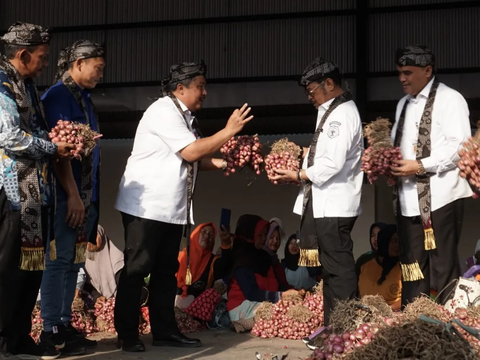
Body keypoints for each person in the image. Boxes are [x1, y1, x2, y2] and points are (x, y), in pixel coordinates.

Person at [113, 61, 253, 352]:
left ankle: (164, 331)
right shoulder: (163, 111)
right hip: (146, 206)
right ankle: (127, 334)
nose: (205, 92)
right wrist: (229, 131)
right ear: (180, 88)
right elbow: (191, 150)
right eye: (200, 87)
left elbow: (193, 159)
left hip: (171, 209)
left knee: (166, 271)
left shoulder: (185, 117)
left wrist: (229, 163)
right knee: (137, 269)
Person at [0, 22, 76, 359]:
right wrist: (51, 147)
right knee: (8, 272)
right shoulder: (2, 85)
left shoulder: (27, 86)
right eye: (42, 57)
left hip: (37, 193)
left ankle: (17, 339)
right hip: (12, 194)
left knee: (31, 272)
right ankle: (4, 340)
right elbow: (8, 136)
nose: (46, 64)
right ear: (24, 54)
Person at [271, 57, 363, 325]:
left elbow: (332, 163)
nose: (310, 97)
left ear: (330, 83)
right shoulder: (330, 111)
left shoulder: (341, 114)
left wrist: (299, 174)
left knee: (339, 269)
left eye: (312, 91)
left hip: (334, 204)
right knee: (331, 270)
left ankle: (344, 327)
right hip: (326, 203)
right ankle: (332, 326)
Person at [390, 45, 472, 307]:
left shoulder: (451, 99)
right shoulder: (402, 104)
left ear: (427, 71)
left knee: (442, 265)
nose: (402, 78)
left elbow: (460, 148)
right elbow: (395, 145)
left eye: (407, 72)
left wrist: (422, 165)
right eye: (399, 73)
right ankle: (415, 324)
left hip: (441, 197)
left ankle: (449, 327)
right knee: (412, 266)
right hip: (407, 200)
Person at [40, 39, 105, 355]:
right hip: (66, 196)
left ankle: (64, 323)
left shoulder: (84, 100)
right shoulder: (57, 97)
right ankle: (50, 328)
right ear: (78, 63)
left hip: (85, 196)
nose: (100, 74)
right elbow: (59, 152)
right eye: (98, 67)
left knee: (75, 263)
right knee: (59, 260)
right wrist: (73, 195)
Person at [227, 215, 296, 333]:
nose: (264, 238)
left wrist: (294, 292)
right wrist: (281, 296)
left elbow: (278, 285)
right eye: (260, 235)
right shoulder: (243, 260)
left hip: (259, 303)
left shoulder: (264, 258)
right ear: (250, 236)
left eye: (265, 234)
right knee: (284, 312)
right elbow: (252, 293)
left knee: (291, 307)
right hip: (241, 306)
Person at [175, 223, 233, 308]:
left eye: (211, 235)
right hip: (169, 308)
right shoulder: (179, 257)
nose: (207, 236)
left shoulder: (213, 262)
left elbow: (226, 267)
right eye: (204, 232)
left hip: (195, 313)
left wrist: (226, 244)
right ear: (196, 234)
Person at [358, 225, 402, 310]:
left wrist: (389, 309)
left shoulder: (402, 267)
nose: (397, 245)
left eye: (399, 242)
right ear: (384, 241)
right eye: (394, 241)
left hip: (393, 316)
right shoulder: (364, 265)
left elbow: (408, 296)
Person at [84, 225, 124, 302]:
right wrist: (97, 297)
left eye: (94, 236)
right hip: (94, 303)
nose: (90, 241)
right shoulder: (81, 258)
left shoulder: (117, 257)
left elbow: (123, 285)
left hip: (116, 303)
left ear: (102, 235)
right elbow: (84, 284)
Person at [263, 222, 290, 289]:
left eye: (278, 238)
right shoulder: (261, 259)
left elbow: (282, 284)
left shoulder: (276, 261)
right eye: (271, 237)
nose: (275, 241)